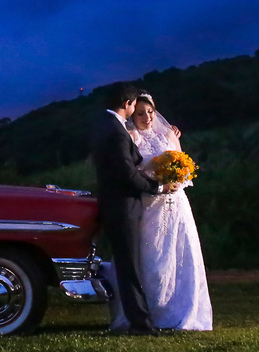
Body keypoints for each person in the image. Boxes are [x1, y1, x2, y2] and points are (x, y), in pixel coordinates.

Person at [109, 92, 213, 331]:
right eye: (140, 113)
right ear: (132, 115)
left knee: (180, 254)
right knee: (152, 255)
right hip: (148, 203)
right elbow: (131, 172)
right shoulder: (130, 137)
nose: (146, 117)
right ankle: (149, 313)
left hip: (175, 203)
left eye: (150, 112)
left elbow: (184, 165)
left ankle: (182, 310)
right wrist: (157, 181)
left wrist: (177, 179)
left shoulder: (167, 135)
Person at [89, 82, 165, 336]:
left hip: (117, 204)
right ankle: (140, 324)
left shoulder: (106, 125)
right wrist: (157, 187)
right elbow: (127, 174)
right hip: (122, 206)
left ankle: (138, 320)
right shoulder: (115, 130)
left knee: (127, 264)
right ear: (127, 103)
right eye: (134, 106)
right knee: (129, 266)